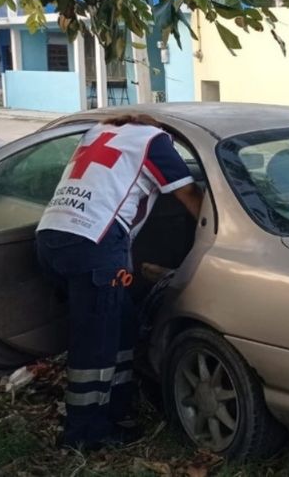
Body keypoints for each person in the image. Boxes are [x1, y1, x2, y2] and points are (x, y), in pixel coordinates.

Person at [36, 113, 203, 451]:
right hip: (95, 244)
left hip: (50, 237)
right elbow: (187, 194)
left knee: (122, 324)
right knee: (95, 343)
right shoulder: (154, 141)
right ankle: (84, 434)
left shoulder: (101, 132)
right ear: (162, 129)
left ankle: (117, 408)